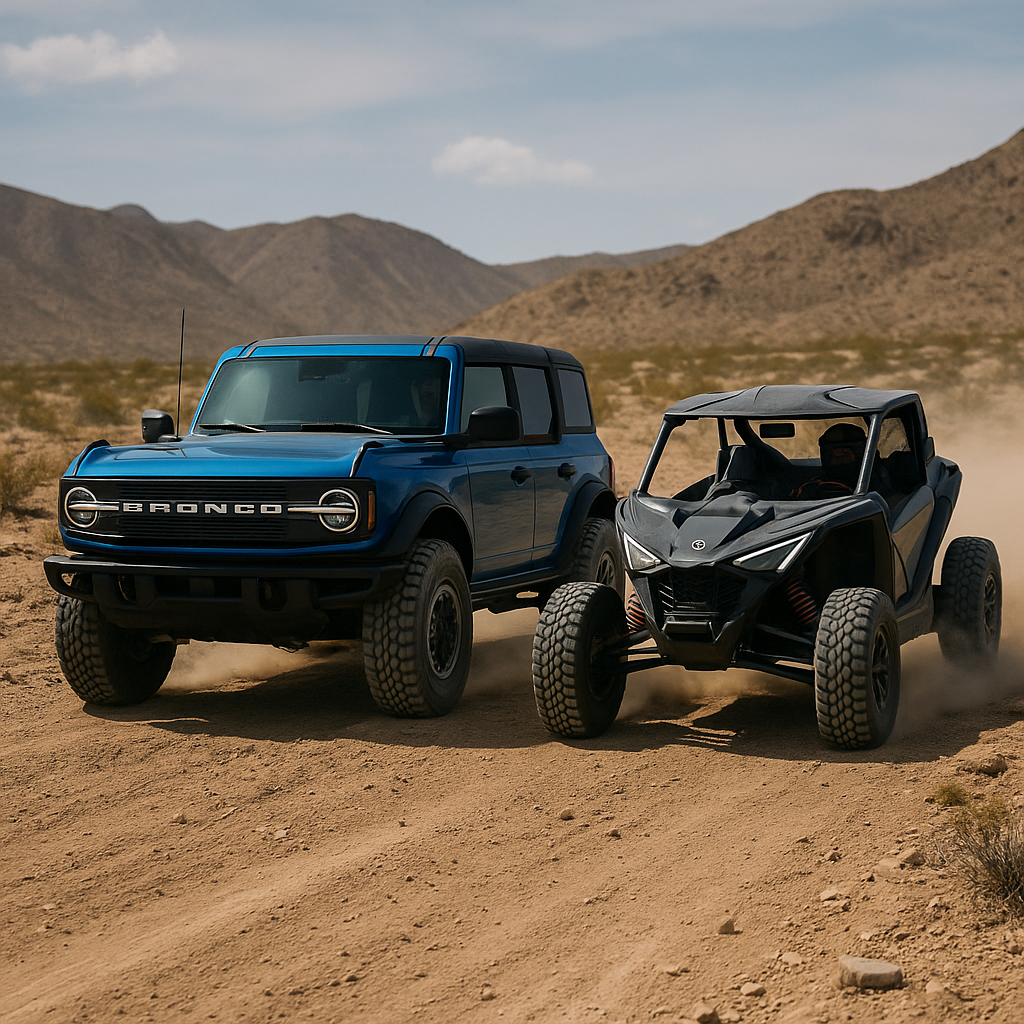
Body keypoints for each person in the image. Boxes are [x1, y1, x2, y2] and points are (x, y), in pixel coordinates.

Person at [792, 423, 866, 499]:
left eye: (846, 451)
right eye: (832, 451)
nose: (839, 455)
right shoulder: (810, 487)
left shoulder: (871, 478)